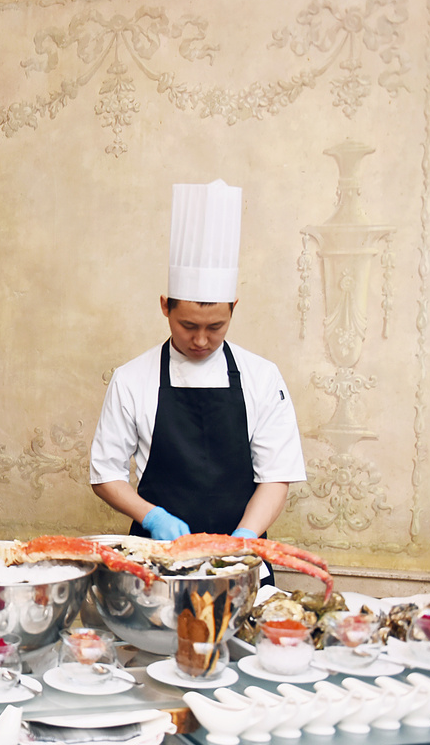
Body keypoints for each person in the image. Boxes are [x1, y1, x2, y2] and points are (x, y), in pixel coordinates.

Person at [90, 180, 306, 553]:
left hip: (240, 558)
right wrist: (152, 517)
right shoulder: (132, 379)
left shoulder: (263, 377)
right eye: (188, 326)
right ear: (165, 306)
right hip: (156, 558)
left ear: (233, 308)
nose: (201, 340)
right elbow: (105, 474)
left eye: (216, 327)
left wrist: (246, 538)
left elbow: (276, 477)